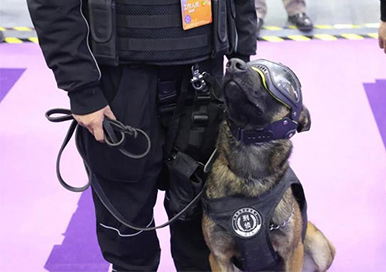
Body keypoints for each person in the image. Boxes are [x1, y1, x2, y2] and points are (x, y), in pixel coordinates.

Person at [27, 0, 257, 271]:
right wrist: (82, 88)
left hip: (204, 73)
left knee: (204, 223)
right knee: (127, 225)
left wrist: (241, 54)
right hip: (118, 82)